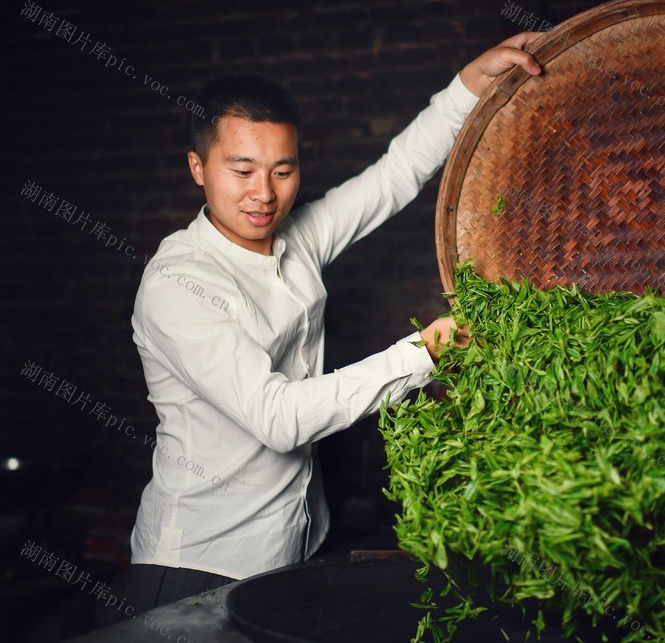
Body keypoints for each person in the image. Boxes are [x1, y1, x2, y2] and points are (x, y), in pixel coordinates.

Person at [124, 32, 544, 614]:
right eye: (242, 170)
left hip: (293, 548)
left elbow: (394, 176)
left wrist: (470, 83)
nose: (263, 194)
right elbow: (278, 419)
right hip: (196, 564)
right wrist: (420, 354)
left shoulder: (298, 238)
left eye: (282, 171)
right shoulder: (178, 282)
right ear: (198, 167)